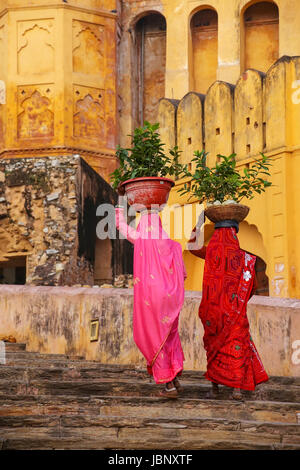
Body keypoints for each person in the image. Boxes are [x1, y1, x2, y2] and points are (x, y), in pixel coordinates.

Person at [188, 216, 269, 400]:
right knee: (236, 348)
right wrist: (238, 303)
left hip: (213, 313)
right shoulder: (245, 259)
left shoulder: (210, 253)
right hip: (236, 315)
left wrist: (199, 225)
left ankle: (215, 388)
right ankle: (237, 390)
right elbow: (253, 286)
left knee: (214, 348)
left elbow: (191, 245)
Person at [115, 201, 187, 398]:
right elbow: (184, 274)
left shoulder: (141, 238)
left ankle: (169, 385)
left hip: (151, 297)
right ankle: (175, 377)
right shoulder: (173, 245)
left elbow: (121, 225)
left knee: (156, 338)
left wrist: (120, 206)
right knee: (169, 335)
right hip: (171, 300)